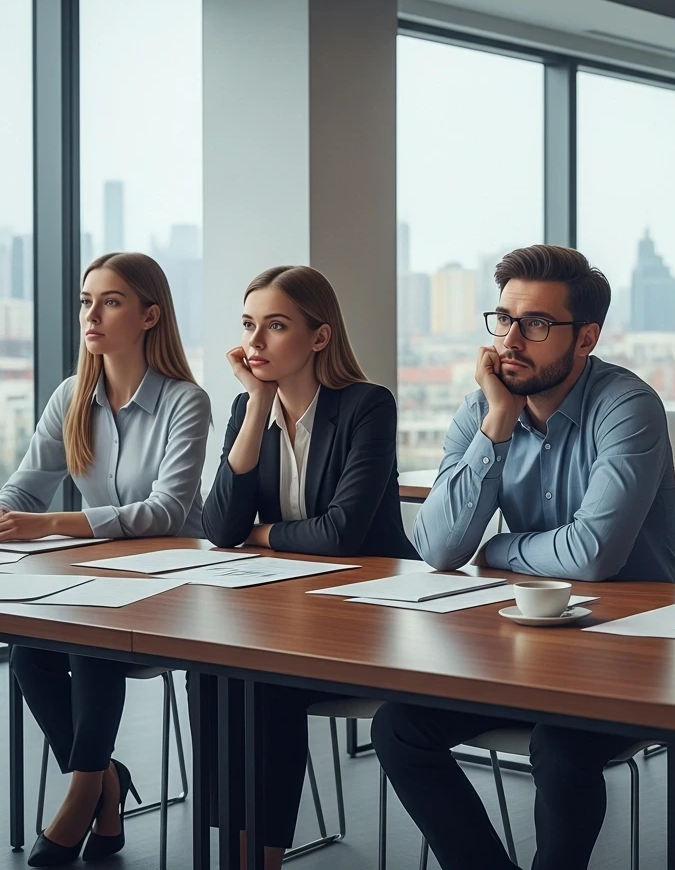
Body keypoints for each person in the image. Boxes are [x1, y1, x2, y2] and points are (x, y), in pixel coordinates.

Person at [372, 244, 675, 870]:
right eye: (504, 319)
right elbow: (435, 547)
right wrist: (496, 425)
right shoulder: (484, 408)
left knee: (561, 744)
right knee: (399, 728)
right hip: (525, 647)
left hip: (631, 646)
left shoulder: (627, 406)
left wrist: (499, 549)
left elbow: (594, 554)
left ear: (585, 337)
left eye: (537, 324)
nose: (512, 339)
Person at [196, 264, 414, 870]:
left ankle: (259, 859)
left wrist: (260, 532)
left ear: (319, 337)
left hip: (366, 618)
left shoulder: (367, 406)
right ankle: (235, 852)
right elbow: (218, 529)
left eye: (276, 326)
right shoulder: (249, 406)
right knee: (210, 670)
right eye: (248, 326)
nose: (254, 343)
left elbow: (341, 535)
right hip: (287, 610)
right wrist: (258, 403)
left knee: (263, 683)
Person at [0, 252, 210, 867]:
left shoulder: (184, 401)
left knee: (89, 634)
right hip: (100, 576)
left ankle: (82, 789)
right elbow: (25, 488)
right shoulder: (73, 395)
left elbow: (167, 511)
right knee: (33, 651)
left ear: (150, 315)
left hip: (181, 581)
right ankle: (104, 780)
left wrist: (52, 524)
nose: (91, 314)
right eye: (87, 300)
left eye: (111, 301)